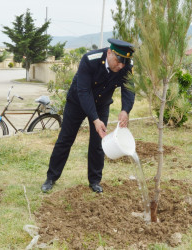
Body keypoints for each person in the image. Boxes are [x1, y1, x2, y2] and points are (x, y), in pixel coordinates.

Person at [41, 38, 136, 193]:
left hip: (102, 104)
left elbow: (129, 89)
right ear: (109, 52)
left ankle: (95, 181)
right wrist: (95, 120)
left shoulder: (126, 66)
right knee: (65, 139)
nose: (120, 65)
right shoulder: (89, 59)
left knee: (98, 143)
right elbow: (84, 92)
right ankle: (51, 178)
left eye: (124, 62)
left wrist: (125, 110)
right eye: (118, 61)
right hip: (77, 102)